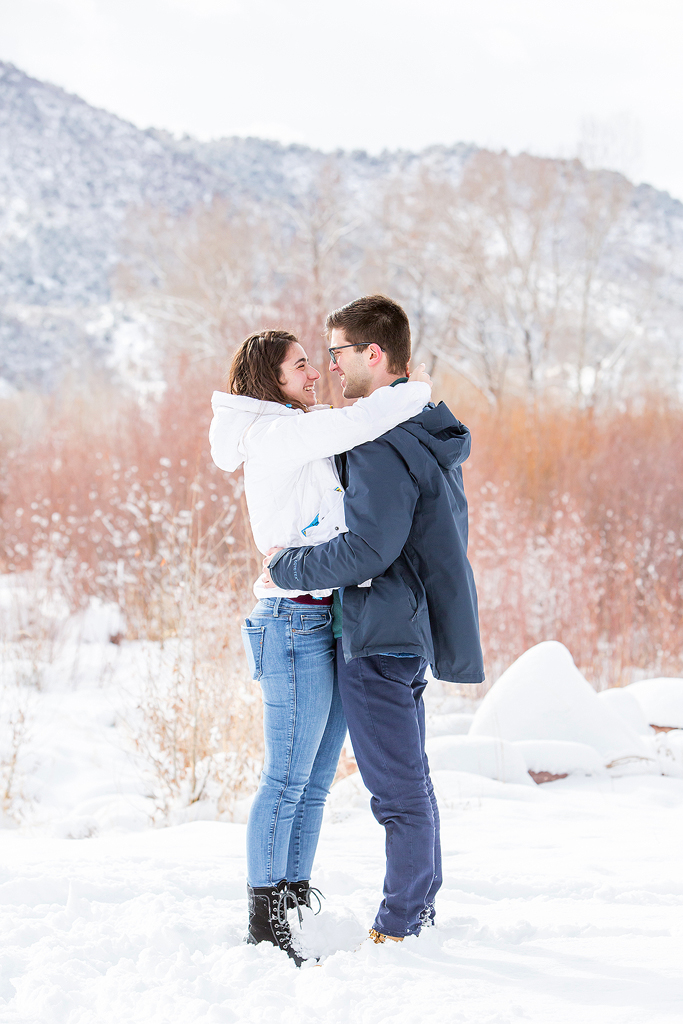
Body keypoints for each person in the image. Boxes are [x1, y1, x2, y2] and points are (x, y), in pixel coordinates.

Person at [263, 296, 485, 944]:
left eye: (336, 352)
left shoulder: (378, 440)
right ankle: (419, 907)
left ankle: (400, 920)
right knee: (408, 780)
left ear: (373, 354)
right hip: (402, 625)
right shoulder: (421, 429)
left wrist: (286, 567)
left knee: (394, 791)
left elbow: (369, 548)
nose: (330, 366)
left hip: (378, 631)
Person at [209, 329, 432, 965]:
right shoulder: (277, 435)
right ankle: (265, 917)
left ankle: (295, 897)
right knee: (284, 778)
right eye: (301, 365)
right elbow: (362, 420)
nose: (314, 373)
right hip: (289, 621)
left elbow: (346, 429)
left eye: (314, 362)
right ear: (270, 380)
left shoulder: (296, 425)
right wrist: (418, 391)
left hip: (325, 617)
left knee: (312, 786)